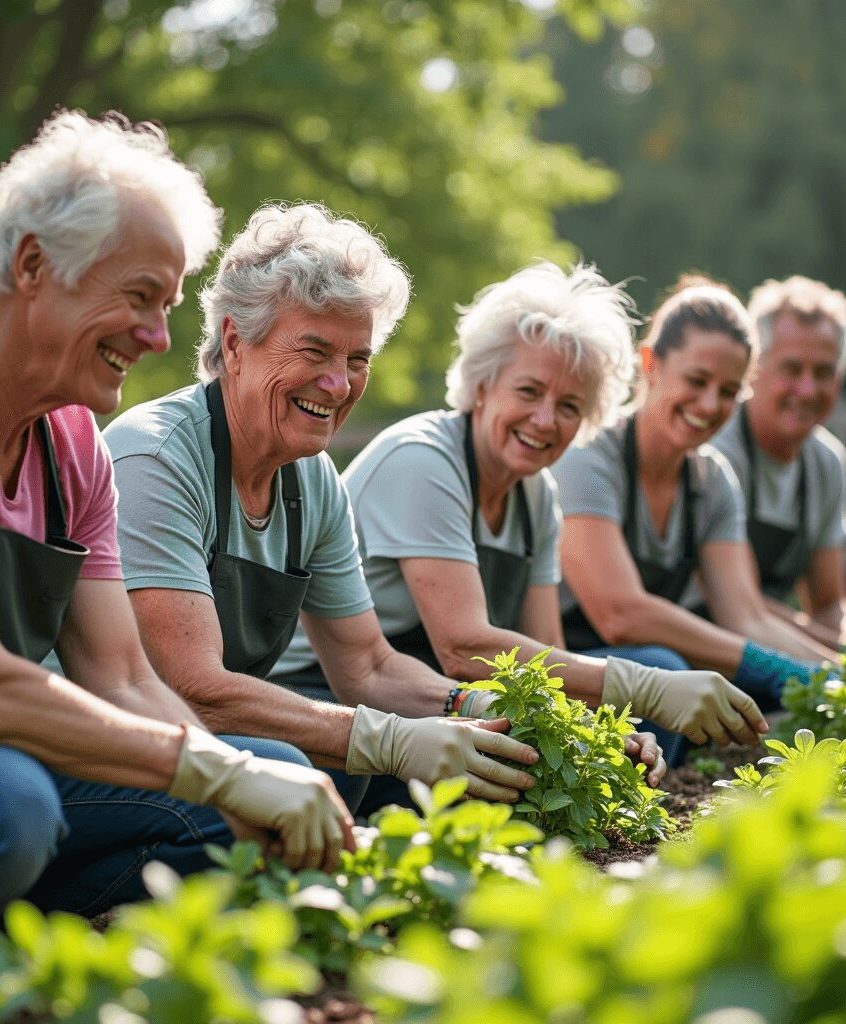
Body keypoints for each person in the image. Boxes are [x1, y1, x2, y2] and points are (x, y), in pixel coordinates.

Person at [0, 112, 355, 972]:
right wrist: (208, 772)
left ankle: (6, 939)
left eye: (168, 306)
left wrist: (233, 775)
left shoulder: (72, 442)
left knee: (267, 771)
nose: (161, 339)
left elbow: (125, 676)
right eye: (139, 297)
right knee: (3, 806)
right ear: (32, 266)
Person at [103, 202, 543, 818]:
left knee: (395, 777)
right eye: (314, 352)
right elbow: (194, 690)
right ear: (234, 341)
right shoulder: (157, 459)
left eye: (356, 359)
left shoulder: (313, 481)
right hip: (105, 749)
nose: (339, 385)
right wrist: (384, 740)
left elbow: (366, 666)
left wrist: (493, 715)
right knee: (297, 772)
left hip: (201, 738)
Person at [276, 262, 767, 805]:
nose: (544, 420)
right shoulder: (423, 460)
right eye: (529, 391)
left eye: (569, 407)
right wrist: (639, 687)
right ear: (483, 384)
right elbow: (463, 647)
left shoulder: (535, 497)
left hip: (440, 700)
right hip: (331, 694)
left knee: (625, 717)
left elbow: (548, 656)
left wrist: (602, 734)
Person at [552, 275, 842, 736]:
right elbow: (619, 613)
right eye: (697, 380)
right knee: (666, 668)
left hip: (650, 668)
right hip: (567, 666)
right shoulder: (591, 456)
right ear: (649, 363)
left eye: (728, 392)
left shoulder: (711, 480)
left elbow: (745, 616)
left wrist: (841, 679)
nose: (710, 404)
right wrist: (762, 664)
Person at [710, 275, 846, 671]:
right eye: (792, 369)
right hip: (720, 643)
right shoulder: (718, 450)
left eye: (823, 372)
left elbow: (828, 602)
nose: (807, 389)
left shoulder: (827, 462)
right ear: (754, 367)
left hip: (789, 639)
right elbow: (740, 605)